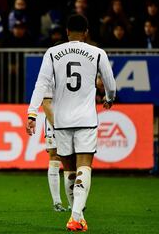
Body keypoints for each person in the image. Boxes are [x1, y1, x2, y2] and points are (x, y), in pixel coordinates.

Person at [26, 14, 116, 231]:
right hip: (86, 118)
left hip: (61, 121)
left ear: (67, 32)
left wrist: (31, 113)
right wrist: (109, 98)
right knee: (85, 164)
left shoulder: (53, 53)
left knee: (68, 169)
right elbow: (110, 83)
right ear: (86, 32)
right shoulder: (97, 53)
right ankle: (76, 216)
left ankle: (76, 214)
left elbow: (41, 83)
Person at [41, 88, 67, 212]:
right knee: (55, 157)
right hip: (53, 121)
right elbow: (46, 104)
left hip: (71, 119)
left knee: (73, 159)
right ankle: (57, 202)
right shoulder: (49, 77)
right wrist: (55, 124)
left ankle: (74, 202)